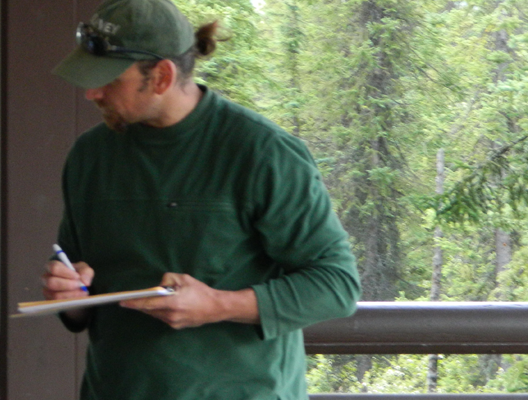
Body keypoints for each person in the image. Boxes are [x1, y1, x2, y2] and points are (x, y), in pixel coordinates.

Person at [41, 0, 362, 399]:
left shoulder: (262, 152)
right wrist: (69, 294)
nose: (91, 92)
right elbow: (78, 284)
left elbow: (337, 284)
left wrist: (218, 305)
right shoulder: (90, 155)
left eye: (109, 79)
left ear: (161, 76)